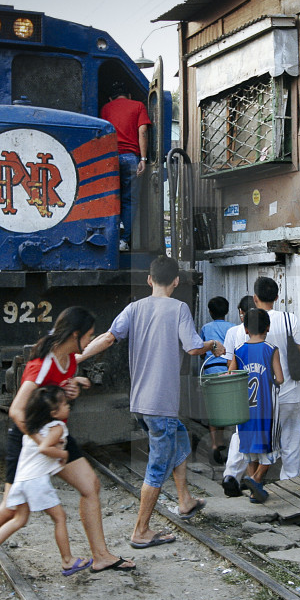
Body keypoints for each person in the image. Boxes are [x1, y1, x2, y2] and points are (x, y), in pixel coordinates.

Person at [0, 308, 133, 590]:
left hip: (56, 435)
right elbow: (16, 410)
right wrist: (40, 442)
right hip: (29, 440)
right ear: (75, 335)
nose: (90, 340)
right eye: (88, 336)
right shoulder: (42, 362)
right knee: (11, 510)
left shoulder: (69, 359)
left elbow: (52, 390)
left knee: (90, 486)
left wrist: (71, 386)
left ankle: (101, 556)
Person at [78, 255, 222, 548]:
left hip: (141, 402)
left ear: (149, 280)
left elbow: (107, 338)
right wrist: (212, 346)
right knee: (157, 466)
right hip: (161, 403)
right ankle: (140, 531)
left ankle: (185, 500)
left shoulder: (134, 308)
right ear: (176, 282)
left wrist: (79, 356)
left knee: (180, 441)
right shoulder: (179, 308)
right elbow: (193, 348)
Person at [0, 385, 91, 583]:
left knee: (19, 519)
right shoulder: (57, 427)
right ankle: (67, 560)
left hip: (20, 480)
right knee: (60, 518)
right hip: (36, 482)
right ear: (53, 412)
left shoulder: (33, 427)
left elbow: (39, 445)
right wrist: (63, 454)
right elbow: (44, 448)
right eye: (65, 404)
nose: (68, 406)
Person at [243, 276, 300, 480]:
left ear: (255, 298)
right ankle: (289, 481)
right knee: (290, 439)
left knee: (261, 439)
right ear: (277, 297)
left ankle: (254, 480)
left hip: (261, 399)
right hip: (289, 393)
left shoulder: (249, 324)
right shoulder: (290, 319)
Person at [228, 308, 283, 504]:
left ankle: (254, 493)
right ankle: (255, 480)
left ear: (245, 329)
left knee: (251, 451)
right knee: (270, 449)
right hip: (266, 410)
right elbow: (280, 378)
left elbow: (231, 376)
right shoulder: (271, 349)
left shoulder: (239, 351)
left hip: (245, 409)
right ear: (268, 327)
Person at [99, 79, 151, 252]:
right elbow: (143, 130)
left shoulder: (106, 108)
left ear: (109, 98)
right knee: (129, 200)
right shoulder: (138, 106)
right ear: (128, 95)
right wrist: (143, 159)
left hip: (110, 158)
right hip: (130, 158)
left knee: (111, 198)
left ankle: (108, 238)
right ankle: (123, 241)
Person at [220, 295, 257, 495]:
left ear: (240, 313)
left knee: (240, 432)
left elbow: (230, 365)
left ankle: (233, 475)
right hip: (261, 390)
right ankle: (251, 478)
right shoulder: (263, 331)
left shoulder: (233, 332)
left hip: (240, 388)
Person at [199, 296, 233, 462]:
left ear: (210, 312)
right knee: (227, 407)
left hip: (210, 371)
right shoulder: (233, 328)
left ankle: (215, 444)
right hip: (228, 371)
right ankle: (225, 443)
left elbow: (201, 350)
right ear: (227, 311)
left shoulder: (206, 328)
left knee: (213, 409)